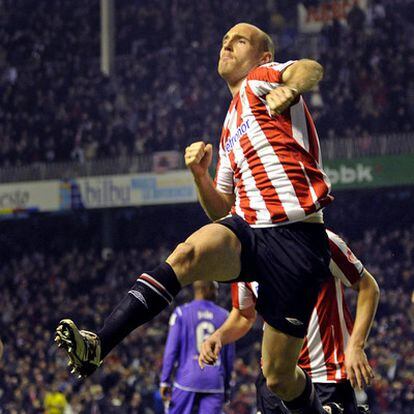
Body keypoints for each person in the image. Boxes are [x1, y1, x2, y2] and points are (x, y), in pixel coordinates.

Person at [56, 22, 334, 413]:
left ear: (263, 57)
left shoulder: (260, 81)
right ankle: (98, 344)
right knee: (186, 255)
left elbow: (310, 67)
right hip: (251, 231)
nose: (227, 44)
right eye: (224, 40)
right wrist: (199, 176)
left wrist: (290, 87)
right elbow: (222, 209)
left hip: (296, 241)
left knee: (278, 376)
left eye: (239, 41)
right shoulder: (227, 129)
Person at [199, 230, 379, 414]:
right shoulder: (246, 258)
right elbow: (243, 315)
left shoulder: (321, 240)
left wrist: (356, 346)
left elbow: (368, 287)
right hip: (274, 379)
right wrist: (219, 336)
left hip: (326, 377)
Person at [159, 281, 235, 414]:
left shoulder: (181, 313)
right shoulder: (225, 317)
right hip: (214, 382)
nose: (217, 293)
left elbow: (171, 351)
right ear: (207, 289)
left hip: (186, 379)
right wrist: (226, 386)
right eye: (215, 289)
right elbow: (229, 356)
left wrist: (165, 381)